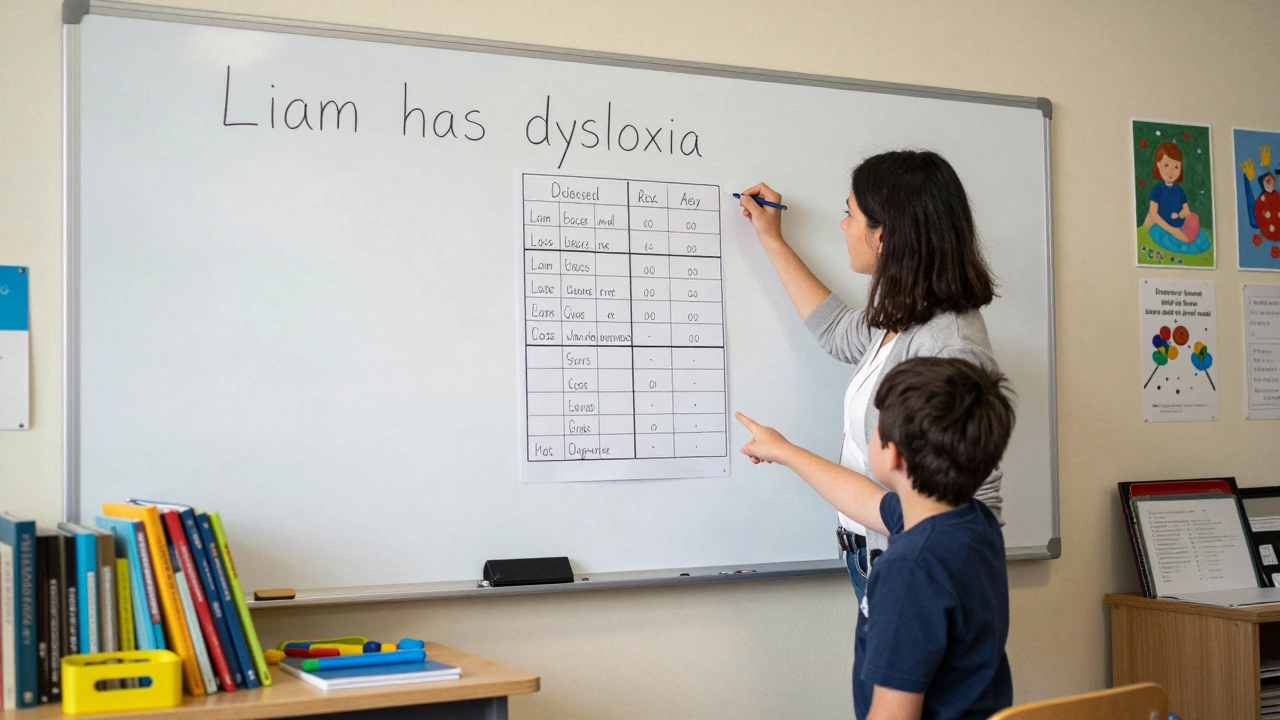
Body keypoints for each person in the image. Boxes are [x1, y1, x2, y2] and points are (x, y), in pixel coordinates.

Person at [735, 150, 1003, 602]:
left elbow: (948, 513)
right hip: (879, 560)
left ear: (885, 236)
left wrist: (788, 453)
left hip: (920, 577)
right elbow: (838, 331)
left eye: (850, 213)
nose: (843, 225)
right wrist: (772, 239)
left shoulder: (946, 347)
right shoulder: (906, 317)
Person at [736, 356, 1016, 720]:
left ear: (893, 454)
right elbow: (865, 500)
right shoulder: (969, 524)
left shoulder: (909, 571)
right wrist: (785, 451)